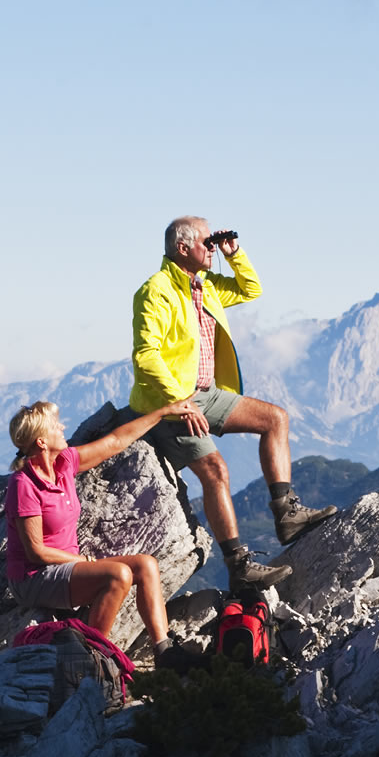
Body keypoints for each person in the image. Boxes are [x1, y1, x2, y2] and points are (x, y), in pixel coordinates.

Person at [125, 216, 336, 588]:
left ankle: (287, 514)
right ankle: (238, 566)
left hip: (206, 393)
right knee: (217, 471)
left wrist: (233, 254)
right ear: (182, 248)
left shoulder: (204, 287)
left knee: (276, 419)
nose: (212, 248)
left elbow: (250, 288)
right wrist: (179, 402)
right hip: (169, 403)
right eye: (207, 242)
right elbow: (146, 355)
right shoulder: (155, 291)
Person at [5, 398, 207, 670]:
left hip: (64, 568)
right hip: (34, 578)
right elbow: (36, 551)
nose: (63, 427)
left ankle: (165, 651)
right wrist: (85, 563)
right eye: (56, 426)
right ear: (41, 442)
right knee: (118, 575)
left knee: (146, 565)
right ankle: (92, 656)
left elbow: (115, 442)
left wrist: (162, 412)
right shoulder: (23, 484)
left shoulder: (63, 464)